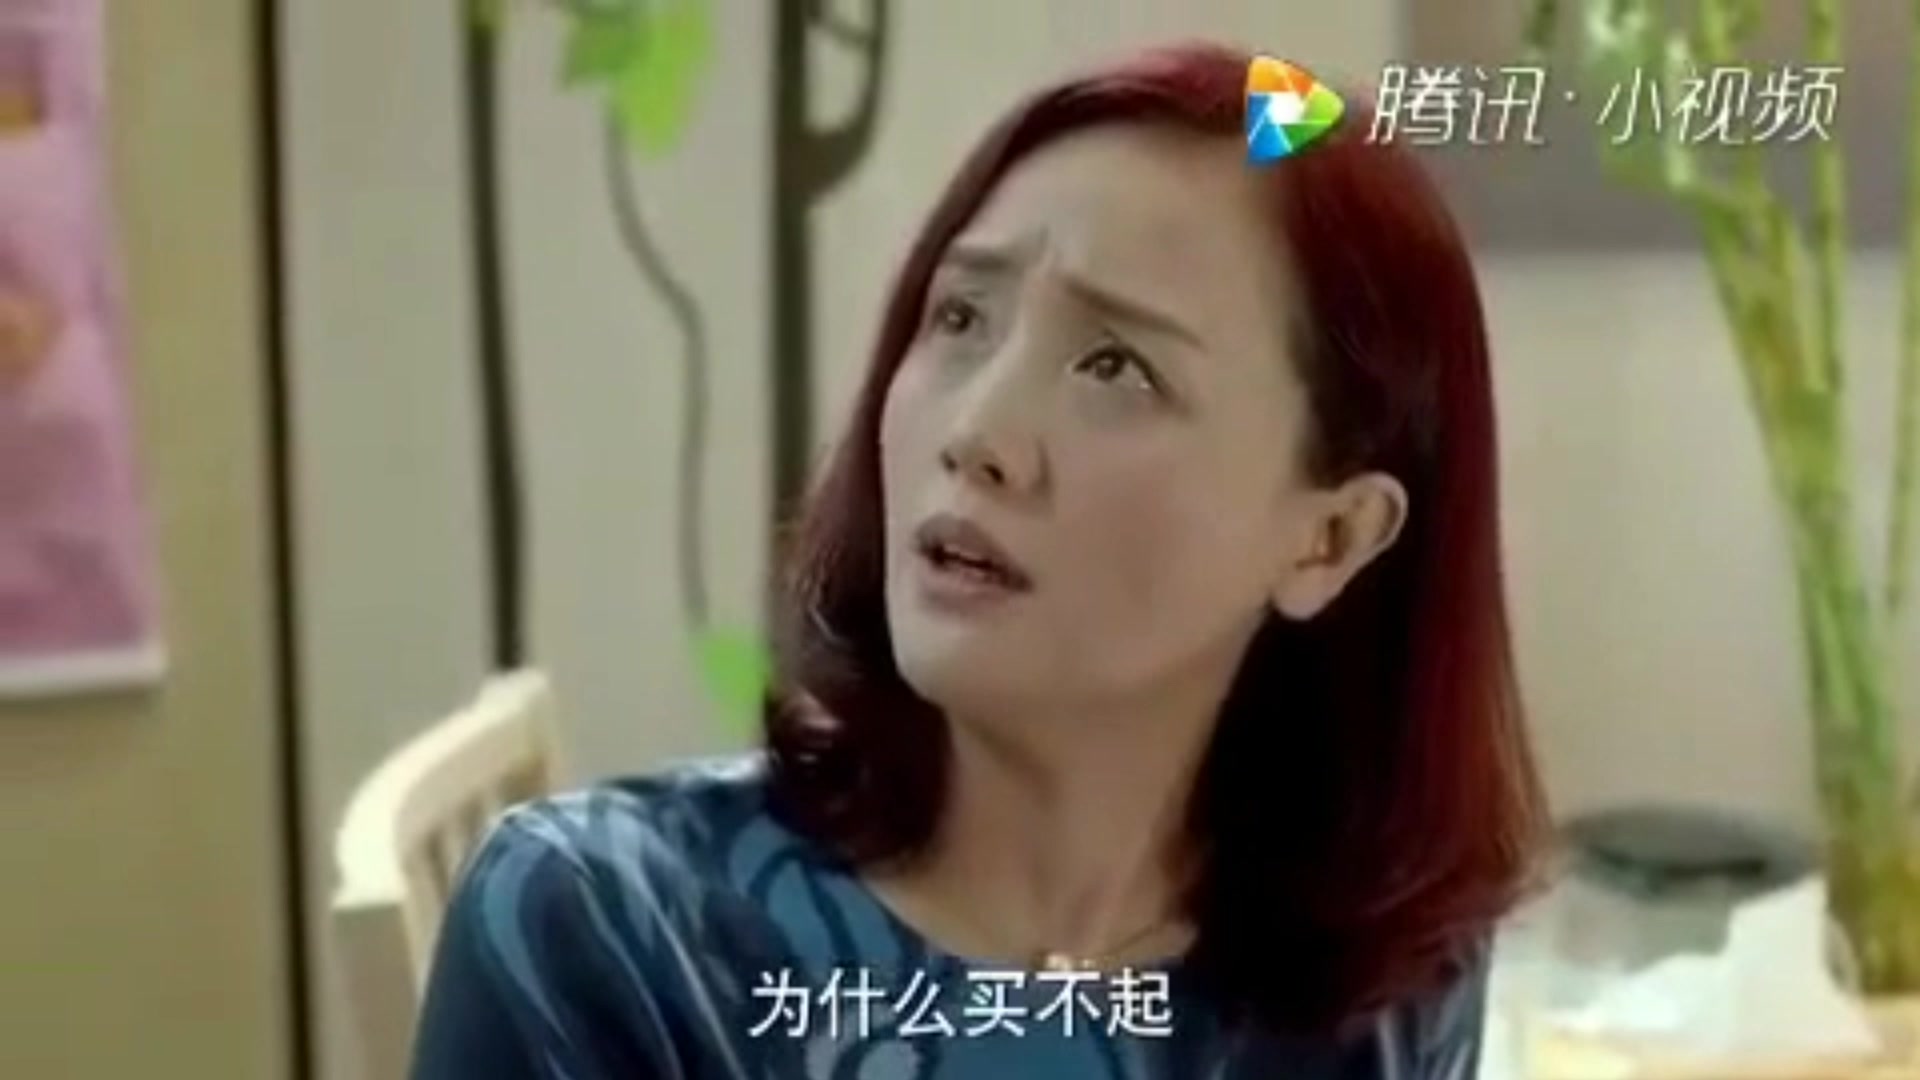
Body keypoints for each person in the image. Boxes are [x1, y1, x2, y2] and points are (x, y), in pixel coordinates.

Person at [411, 40, 1547, 1079]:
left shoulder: (1385, 979)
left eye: (1116, 366)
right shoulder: (612, 936)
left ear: (1330, 537)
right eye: (960, 319)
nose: (977, 432)